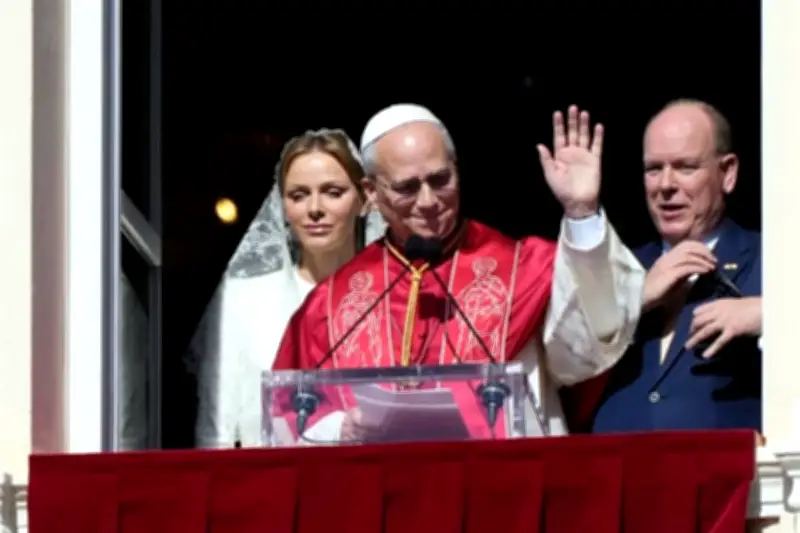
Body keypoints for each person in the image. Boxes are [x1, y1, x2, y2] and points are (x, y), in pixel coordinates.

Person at [272, 103, 646, 441]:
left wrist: (581, 212)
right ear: (371, 192)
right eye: (406, 187)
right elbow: (287, 413)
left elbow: (587, 351)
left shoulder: (524, 269)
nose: (428, 201)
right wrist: (341, 427)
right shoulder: (333, 302)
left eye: (440, 179)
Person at [563, 99, 762, 434]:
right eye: (654, 169)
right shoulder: (619, 267)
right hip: (620, 474)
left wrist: (768, 314)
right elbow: (562, 361)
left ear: (727, 173)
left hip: (729, 478)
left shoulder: (771, 259)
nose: (666, 185)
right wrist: (635, 296)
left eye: (685, 167)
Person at [191, 129, 386, 448]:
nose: (314, 209)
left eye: (333, 192)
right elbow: (215, 429)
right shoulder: (244, 300)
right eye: (298, 195)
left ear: (364, 200)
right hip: (267, 485)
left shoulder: (392, 295)